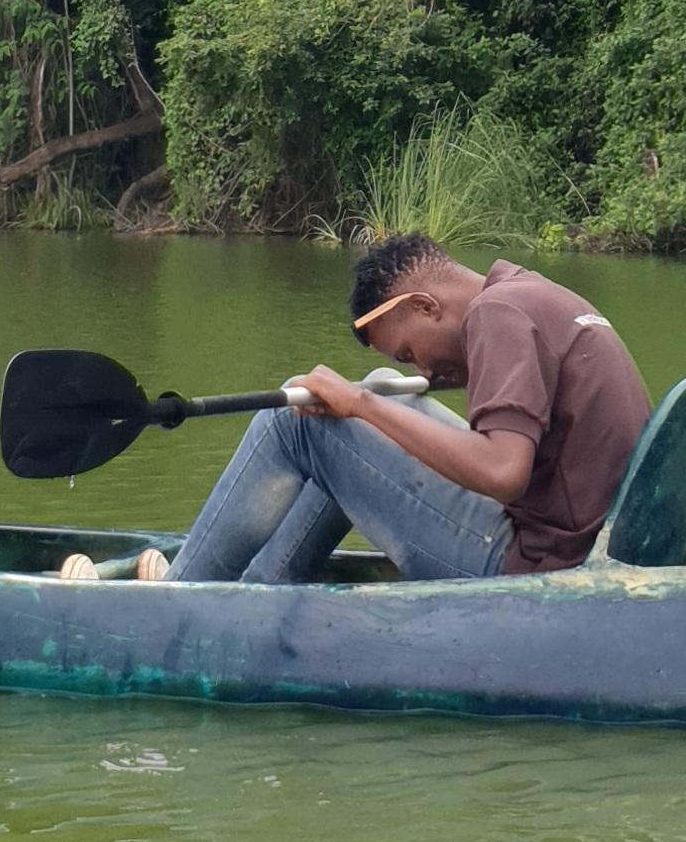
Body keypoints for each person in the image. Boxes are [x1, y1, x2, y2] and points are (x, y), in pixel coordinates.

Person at [137, 233, 652, 585]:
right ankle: (260, 593)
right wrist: (369, 402)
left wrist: (361, 406)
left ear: (426, 307)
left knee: (292, 420)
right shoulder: (533, 293)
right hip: (574, 540)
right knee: (386, 389)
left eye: (410, 351)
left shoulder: (498, 315)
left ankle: (180, 597)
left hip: (530, 568)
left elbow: (504, 471)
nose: (424, 371)